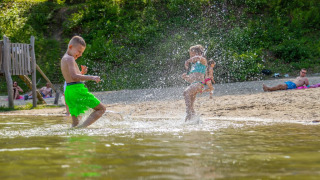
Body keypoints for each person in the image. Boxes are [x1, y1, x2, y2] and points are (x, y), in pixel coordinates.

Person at [61, 36, 106, 128]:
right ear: (70, 47)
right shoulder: (70, 59)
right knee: (101, 109)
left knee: (75, 124)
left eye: (82, 52)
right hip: (77, 90)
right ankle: (82, 128)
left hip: (69, 91)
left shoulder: (64, 58)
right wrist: (92, 77)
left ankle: (75, 135)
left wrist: (82, 73)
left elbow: (71, 77)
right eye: (79, 51)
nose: (80, 54)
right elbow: (74, 76)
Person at [181, 45, 207, 121]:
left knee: (186, 92)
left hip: (199, 84)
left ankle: (188, 113)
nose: (191, 57)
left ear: (199, 53)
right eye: (190, 55)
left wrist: (187, 61)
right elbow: (191, 79)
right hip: (194, 84)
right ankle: (195, 120)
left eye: (192, 55)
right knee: (191, 106)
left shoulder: (203, 61)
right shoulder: (193, 65)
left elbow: (198, 58)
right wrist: (186, 78)